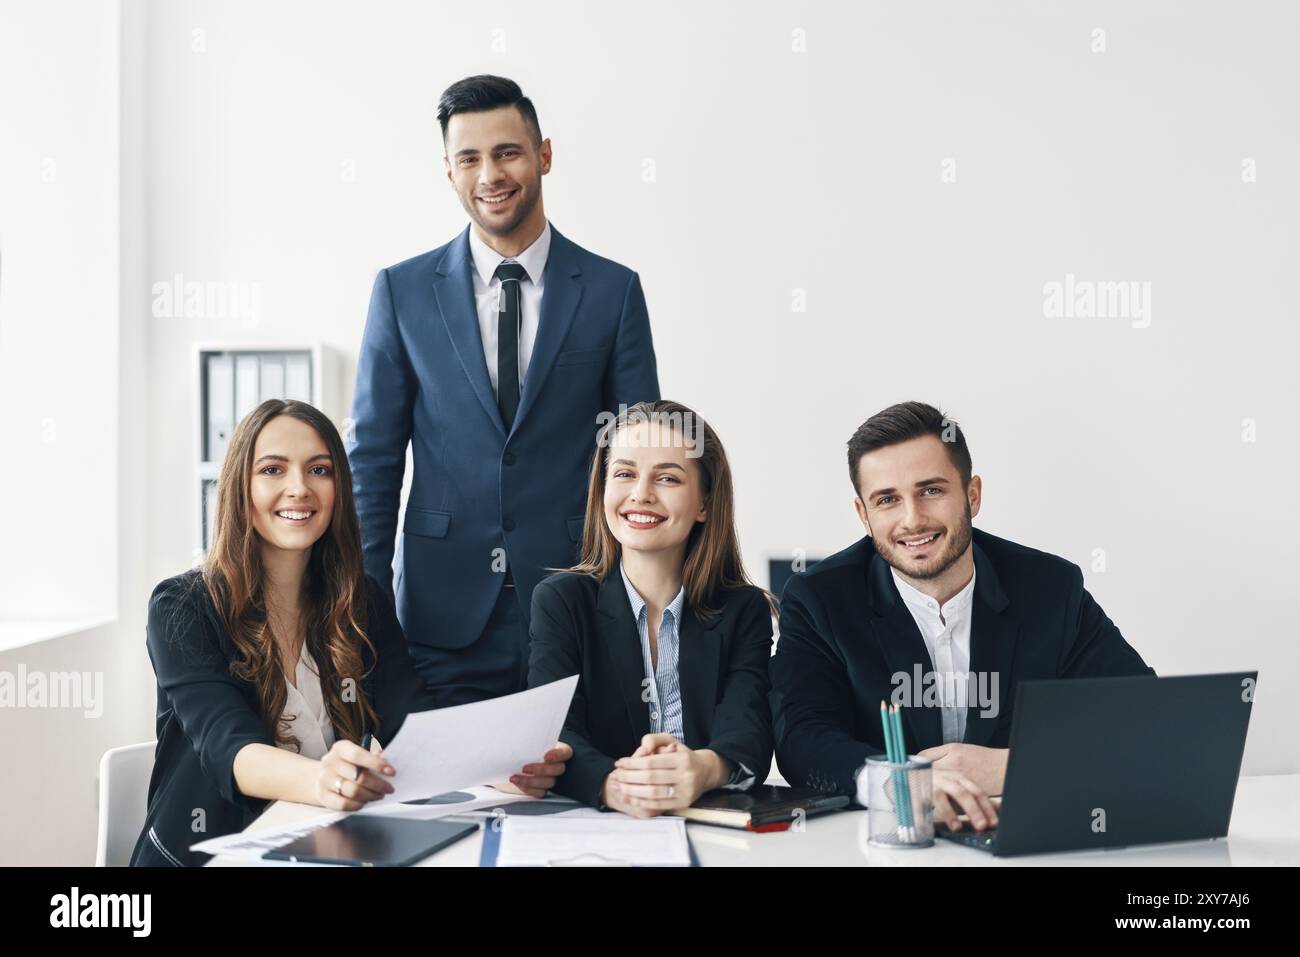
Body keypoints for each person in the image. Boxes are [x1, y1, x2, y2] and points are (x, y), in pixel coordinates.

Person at [131, 400, 570, 866]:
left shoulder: (362, 601)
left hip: (316, 849)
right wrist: (324, 780)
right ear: (241, 485)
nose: (299, 488)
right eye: (273, 469)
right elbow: (231, 748)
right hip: (204, 856)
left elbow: (412, 725)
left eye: (319, 470)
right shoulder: (182, 607)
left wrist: (498, 771)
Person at [348, 75, 660, 708]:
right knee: (448, 799)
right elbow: (373, 462)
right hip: (440, 618)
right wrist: (362, 611)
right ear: (449, 171)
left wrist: (647, 603)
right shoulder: (401, 293)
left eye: (507, 152)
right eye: (470, 158)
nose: (490, 174)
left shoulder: (612, 290)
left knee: (579, 794)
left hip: (580, 602)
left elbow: (643, 461)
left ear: (544, 155)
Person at [770, 400, 1155, 832]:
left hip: (1021, 841)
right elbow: (801, 738)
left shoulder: (1050, 587)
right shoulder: (818, 598)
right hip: (881, 846)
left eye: (931, 490)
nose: (912, 519)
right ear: (864, 514)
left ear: (972, 494)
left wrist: (1010, 768)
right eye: (887, 500)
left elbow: (1144, 718)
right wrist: (899, 785)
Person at [528, 400, 775, 816]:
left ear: (703, 504)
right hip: (597, 828)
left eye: (668, 478)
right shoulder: (561, 601)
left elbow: (747, 733)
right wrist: (613, 786)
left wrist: (704, 768)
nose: (641, 494)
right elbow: (553, 730)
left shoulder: (743, 610)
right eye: (625, 473)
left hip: (711, 828)